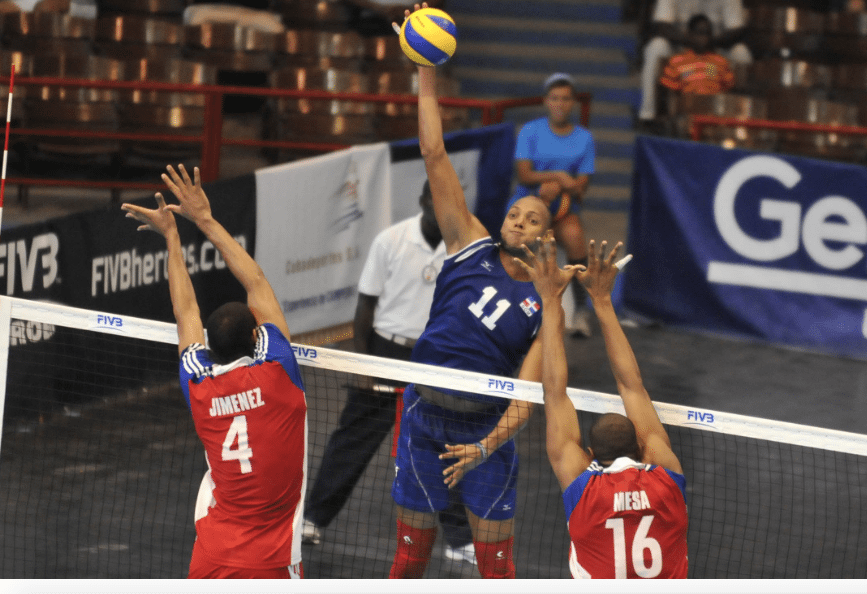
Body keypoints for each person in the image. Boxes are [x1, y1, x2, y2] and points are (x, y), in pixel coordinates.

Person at [387, 3, 551, 579]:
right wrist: (424, 68)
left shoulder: (546, 306)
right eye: (514, 213)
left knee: (495, 568)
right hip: (424, 417)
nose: (517, 221)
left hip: (485, 437)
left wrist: (486, 447)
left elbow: (528, 396)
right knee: (410, 558)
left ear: (547, 237)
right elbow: (434, 155)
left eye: (532, 219)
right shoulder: (472, 244)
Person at [121, 164, 308, 579]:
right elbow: (256, 281)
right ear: (257, 335)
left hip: (213, 556)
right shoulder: (279, 370)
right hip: (271, 561)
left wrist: (171, 237)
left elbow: (184, 310)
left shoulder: (199, 385)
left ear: (211, 347)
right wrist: (203, 218)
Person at [302, 180, 476, 566]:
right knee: (353, 440)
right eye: (439, 199)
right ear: (423, 201)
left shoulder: (464, 251)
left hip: (435, 359)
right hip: (385, 354)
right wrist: (364, 365)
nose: (446, 208)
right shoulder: (390, 241)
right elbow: (364, 309)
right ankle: (312, 518)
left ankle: (459, 539)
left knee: (444, 447)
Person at [517, 236, 689, 579]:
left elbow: (554, 393)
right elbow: (632, 386)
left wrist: (551, 300)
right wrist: (603, 301)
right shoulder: (665, 477)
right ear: (643, 449)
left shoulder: (584, 490)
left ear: (591, 454)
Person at [509, 72, 595, 337]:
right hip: (530, 202)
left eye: (566, 99)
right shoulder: (530, 130)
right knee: (515, 242)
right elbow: (524, 175)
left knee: (576, 239)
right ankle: (513, 307)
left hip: (564, 206)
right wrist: (557, 176)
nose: (560, 104)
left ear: (573, 103)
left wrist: (561, 188)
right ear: (546, 101)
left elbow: (582, 184)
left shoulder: (584, 138)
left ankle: (581, 309)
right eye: (555, 98)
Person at [638, 0, 751, 126]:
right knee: (656, 47)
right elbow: (662, 25)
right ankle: (649, 115)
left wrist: (707, 42)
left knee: (742, 52)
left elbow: (737, 30)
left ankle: (740, 118)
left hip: (717, 47)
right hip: (679, 45)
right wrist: (692, 41)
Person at [659, 14, 735, 99]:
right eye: (700, 33)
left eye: (707, 33)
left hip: (713, 110)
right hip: (685, 109)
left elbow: (728, 87)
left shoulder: (720, 61)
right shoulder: (677, 61)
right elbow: (669, 90)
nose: (704, 38)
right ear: (689, 35)